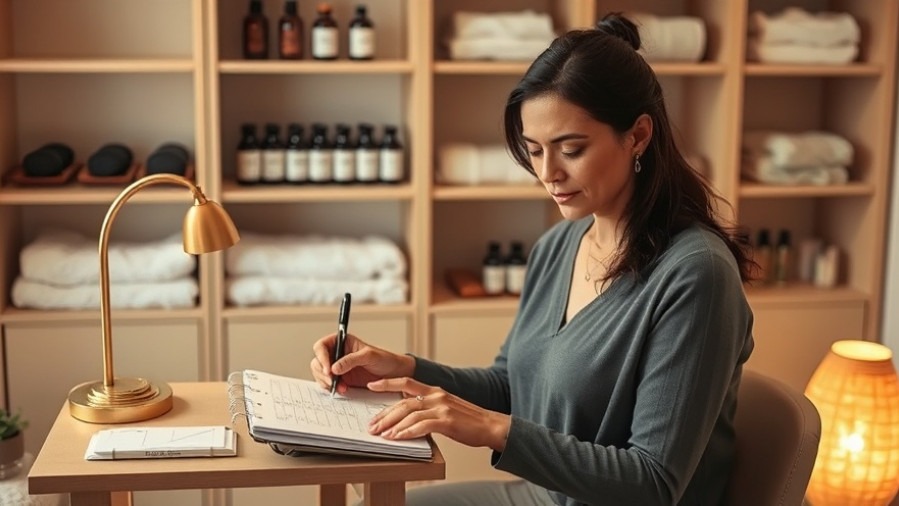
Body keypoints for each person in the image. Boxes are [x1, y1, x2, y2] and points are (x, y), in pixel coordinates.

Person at [310, 12, 755, 506]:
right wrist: (400, 370)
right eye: (535, 151)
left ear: (639, 136)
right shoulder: (559, 246)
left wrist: (494, 430)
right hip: (546, 496)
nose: (549, 174)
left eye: (571, 149)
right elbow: (511, 384)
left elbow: (653, 482)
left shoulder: (697, 275)